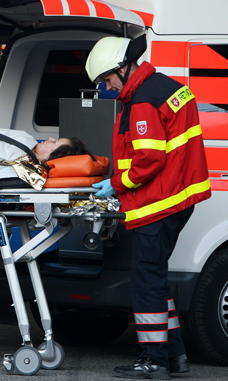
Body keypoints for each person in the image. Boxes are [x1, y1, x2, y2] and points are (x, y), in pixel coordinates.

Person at [85, 36, 211, 379]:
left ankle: (154, 360)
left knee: (145, 281)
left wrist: (115, 183)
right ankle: (174, 356)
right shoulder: (165, 88)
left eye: (107, 80)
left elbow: (148, 159)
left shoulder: (142, 102)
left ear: (123, 68)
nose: (107, 88)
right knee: (154, 278)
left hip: (160, 202)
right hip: (177, 197)